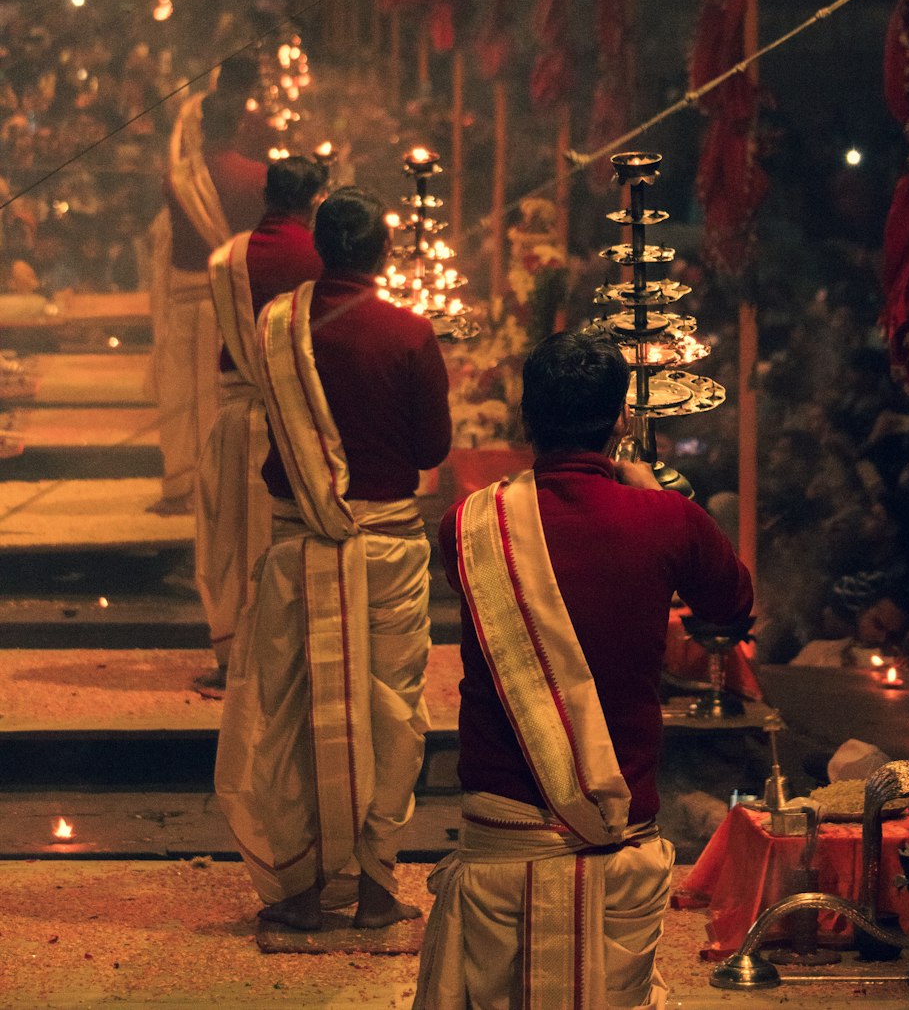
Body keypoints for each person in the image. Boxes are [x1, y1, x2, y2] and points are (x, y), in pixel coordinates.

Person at [414, 331, 753, 1010]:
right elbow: (733, 607)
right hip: (616, 834)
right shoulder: (665, 518)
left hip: (500, 837)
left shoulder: (470, 524)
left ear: (524, 417)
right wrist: (656, 494)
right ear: (622, 418)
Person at [215, 187, 452, 931]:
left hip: (298, 544)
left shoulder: (274, 330)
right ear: (383, 254)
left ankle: (297, 888)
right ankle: (378, 884)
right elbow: (431, 451)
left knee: (287, 716)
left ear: (320, 249)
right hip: (387, 551)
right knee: (391, 712)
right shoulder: (411, 335)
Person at [192, 154, 329, 697]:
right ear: (311, 201)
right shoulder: (321, 257)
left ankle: (232, 659)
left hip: (235, 414)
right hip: (296, 418)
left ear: (266, 197)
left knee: (227, 534)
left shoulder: (225, 258)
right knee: (283, 536)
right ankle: (281, 658)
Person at [147, 54, 267, 516]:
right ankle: (230, 487)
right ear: (239, 125)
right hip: (233, 302)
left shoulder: (176, 179)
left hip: (185, 298)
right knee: (227, 397)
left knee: (186, 394)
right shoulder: (258, 179)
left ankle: (182, 486)